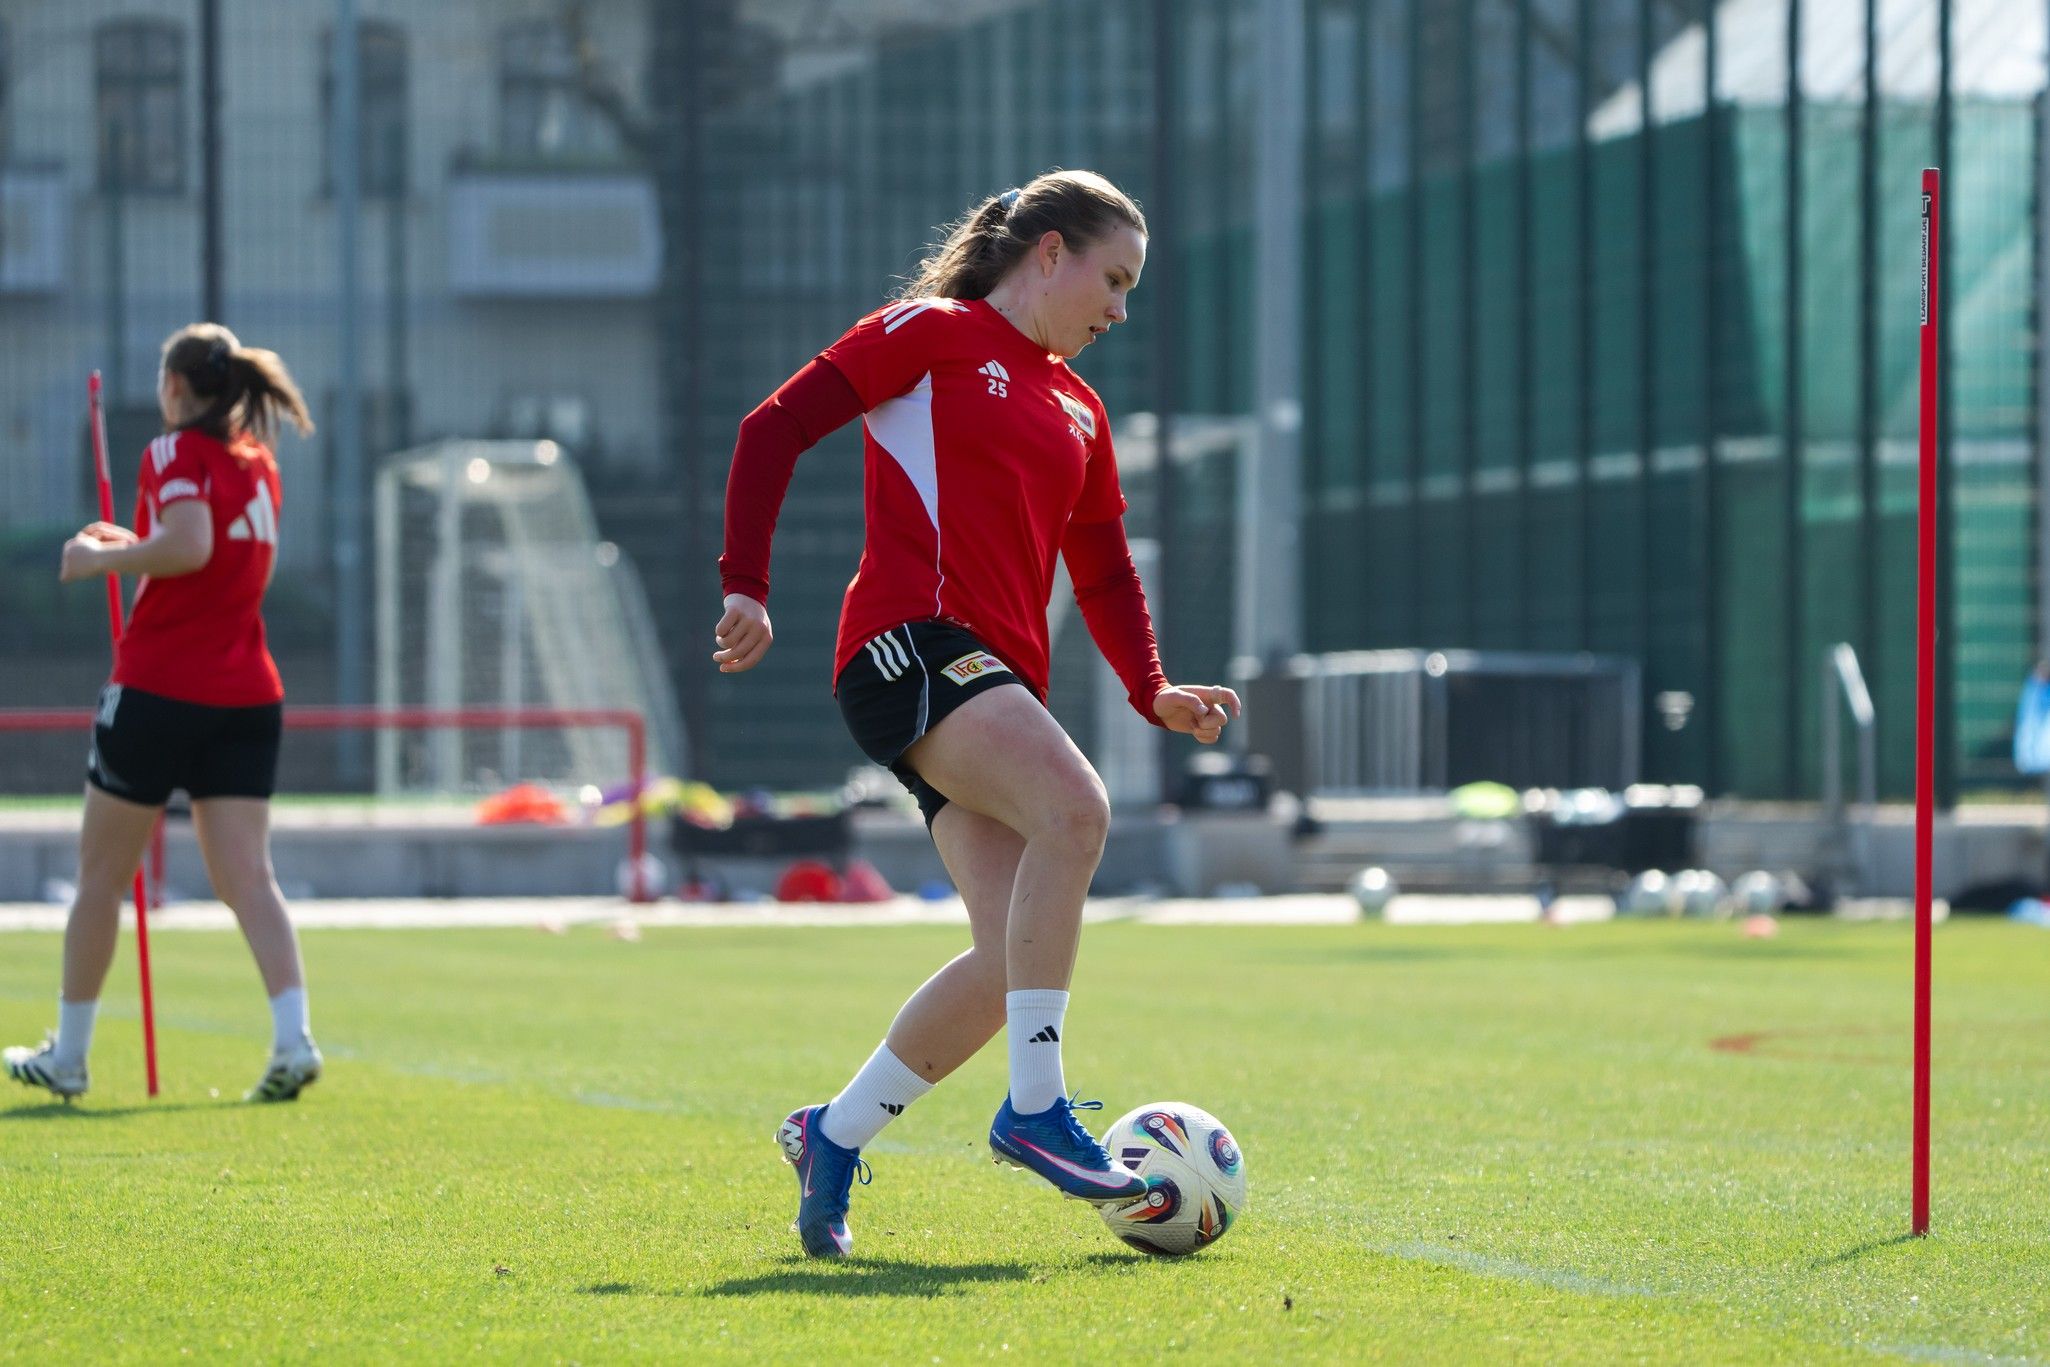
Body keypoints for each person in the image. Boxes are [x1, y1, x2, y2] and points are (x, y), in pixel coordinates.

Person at [716, 169, 1242, 1258]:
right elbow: (772, 428)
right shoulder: (932, 331)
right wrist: (743, 582)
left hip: (987, 678)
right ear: (1047, 252)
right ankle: (1034, 1109)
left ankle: (833, 1131)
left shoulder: (1080, 407)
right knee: (1079, 812)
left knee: (1010, 959)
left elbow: (1103, 572)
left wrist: (1153, 686)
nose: (1120, 307)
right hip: (909, 645)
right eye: (1112, 277)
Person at [4, 324, 323, 1105]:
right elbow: (203, 559)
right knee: (249, 877)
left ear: (177, 387)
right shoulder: (259, 464)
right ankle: (294, 1036)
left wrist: (100, 559)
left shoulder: (173, 452)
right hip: (246, 691)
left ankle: (69, 1056)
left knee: (99, 876)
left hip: (161, 689)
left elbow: (189, 545)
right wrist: (135, 542)